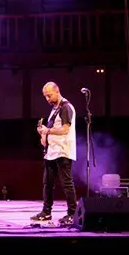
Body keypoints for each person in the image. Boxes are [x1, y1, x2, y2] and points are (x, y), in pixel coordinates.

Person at [32, 81, 77, 225]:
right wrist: (43, 133)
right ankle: (46, 212)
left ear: (57, 91)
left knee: (66, 184)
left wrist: (48, 131)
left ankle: (72, 213)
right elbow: (51, 130)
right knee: (48, 183)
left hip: (62, 151)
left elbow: (65, 129)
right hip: (51, 151)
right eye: (45, 96)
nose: (47, 99)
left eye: (49, 95)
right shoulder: (55, 109)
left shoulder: (66, 107)